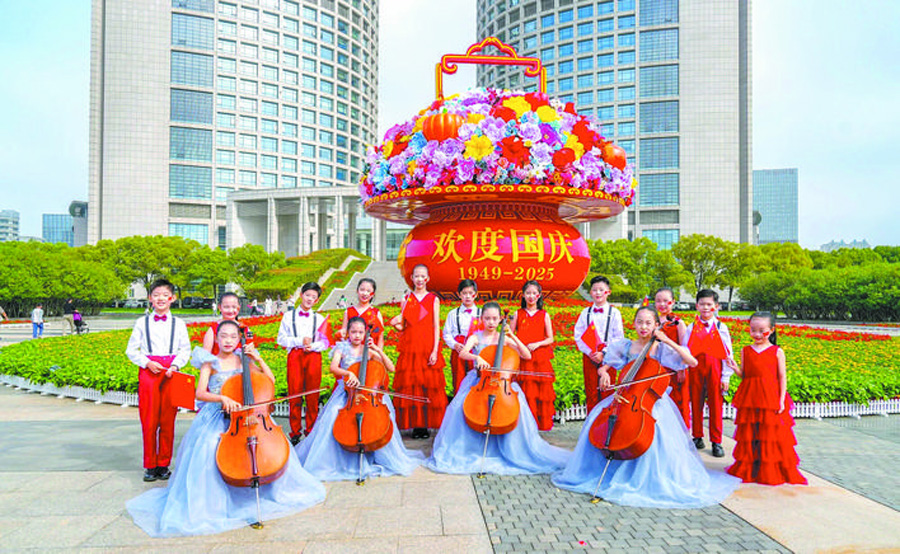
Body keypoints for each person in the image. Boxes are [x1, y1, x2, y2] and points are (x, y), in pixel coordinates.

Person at [126, 320, 326, 537]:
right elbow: (200, 393)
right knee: (210, 447)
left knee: (269, 446)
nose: (228, 341)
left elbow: (270, 380)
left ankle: (263, 489)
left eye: (233, 336)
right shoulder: (210, 362)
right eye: (223, 336)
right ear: (216, 339)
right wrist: (222, 398)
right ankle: (216, 500)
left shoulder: (243, 360)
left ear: (239, 339)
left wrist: (257, 358)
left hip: (248, 415)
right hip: (218, 415)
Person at [552, 307, 740, 508]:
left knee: (653, 433)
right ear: (634, 324)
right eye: (639, 322)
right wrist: (604, 373)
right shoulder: (626, 346)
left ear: (656, 325)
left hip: (651, 401)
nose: (643, 327)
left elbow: (691, 362)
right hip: (625, 397)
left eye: (648, 323)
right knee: (597, 418)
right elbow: (606, 365)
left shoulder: (661, 348)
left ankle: (644, 476)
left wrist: (667, 340)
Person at [427, 302, 570, 475]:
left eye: (495, 319)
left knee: (516, 408)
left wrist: (513, 336)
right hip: (479, 380)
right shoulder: (476, 337)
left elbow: (526, 355)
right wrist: (476, 357)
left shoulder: (505, 339)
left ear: (500, 319)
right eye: (487, 318)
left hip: (502, 383)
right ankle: (470, 447)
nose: (491, 322)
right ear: (481, 318)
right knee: (458, 407)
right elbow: (463, 353)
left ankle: (510, 448)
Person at [295, 316, 425, 480]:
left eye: (360, 332)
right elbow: (333, 367)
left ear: (365, 334)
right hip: (347, 394)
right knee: (333, 414)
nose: (357, 335)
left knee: (382, 417)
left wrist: (378, 350)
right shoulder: (341, 348)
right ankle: (336, 459)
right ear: (348, 332)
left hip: (369, 394)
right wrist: (348, 373)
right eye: (353, 332)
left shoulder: (368, 351)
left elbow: (391, 368)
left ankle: (377, 451)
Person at [726, 312, 807, 485]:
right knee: (751, 433)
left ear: (771, 330)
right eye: (753, 330)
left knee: (770, 434)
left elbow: (782, 377)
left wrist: (781, 400)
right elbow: (746, 375)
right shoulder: (746, 350)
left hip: (770, 397)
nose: (756, 334)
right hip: (750, 396)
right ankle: (752, 468)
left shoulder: (777, 351)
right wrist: (735, 368)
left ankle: (770, 469)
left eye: (761, 330)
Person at [125, 279, 192, 482]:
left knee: (168, 420)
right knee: (149, 420)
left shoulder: (179, 324)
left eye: (165, 295)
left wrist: (176, 365)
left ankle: (163, 464)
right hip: (149, 372)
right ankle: (150, 465)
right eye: (156, 295)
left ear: (172, 298)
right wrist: (146, 362)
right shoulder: (142, 323)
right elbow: (131, 350)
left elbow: (185, 349)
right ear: (150, 298)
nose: (160, 298)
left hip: (171, 372)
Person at [389, 264, 447, 439]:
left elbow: (436, 326)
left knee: (428, 385)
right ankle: (415, 425)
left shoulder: (433, 299)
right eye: (417, 276)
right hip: (410, 347)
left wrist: (435, 350)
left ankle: (426, 425)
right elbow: (403, 326)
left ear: (427, 278)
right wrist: (395, 325)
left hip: (427, 346)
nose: (420, 279)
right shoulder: (406, 299)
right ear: (412, 278)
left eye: (423, 276)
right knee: (412, 386)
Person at [683, 289, 735, 458]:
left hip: (715, 369)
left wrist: (725, 376)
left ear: (716, 306)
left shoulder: (721, 327)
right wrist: (683, 369)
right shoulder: (691, 327)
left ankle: (716, 441)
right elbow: (685, 350)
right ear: (696, 306)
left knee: (716, 405)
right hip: (695, 369)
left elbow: (728, 354)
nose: (705, 308)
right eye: (702, 304)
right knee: (696, 403)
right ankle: (697, 436)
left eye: (709, 304)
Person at [277, 282, 330, 445]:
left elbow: (325, 342)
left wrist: (313, 346)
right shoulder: (288, 316)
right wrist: (299, 341)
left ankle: (310, 430)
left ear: (317, 300)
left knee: (313, 394)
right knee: (295, 393)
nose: (310, 299)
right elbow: (281, 339)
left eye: (313, 297)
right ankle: (295, 432)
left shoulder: (319, 318)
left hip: (313, 356)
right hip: (295, 355)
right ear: (301, 295)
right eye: (307, 295)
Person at [573, 275, 625, 411]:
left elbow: (618, 338)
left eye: (601, 290)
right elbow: (578, 335)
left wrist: (603, 353)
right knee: (591, 390)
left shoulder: (614, 313)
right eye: (595, 290)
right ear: (590, 292)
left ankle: (606, 421)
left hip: (608, 357)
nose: (598, 293)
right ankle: (591, 421)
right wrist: (589, 352)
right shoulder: (585, 313)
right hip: (589, 356)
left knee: (607, 389)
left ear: (608, 292)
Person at [510, 281, 556, 431]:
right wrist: (518, 349)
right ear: (523, 295)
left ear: (539, 295)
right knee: (525, 390)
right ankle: (524, 424)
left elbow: (550, 338)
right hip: (522, 358)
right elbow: (509, 335)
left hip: (539, 358)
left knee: (540, 391)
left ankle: (539, 424)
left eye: (534, 293)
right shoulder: (517, 314)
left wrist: (538, 344)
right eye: (528, 293)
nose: (531, 296)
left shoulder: (544, 315)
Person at [655, 287, 690, 430]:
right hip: (656, 369)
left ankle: (680, 433)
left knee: (677, 401)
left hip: (675, 370)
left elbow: (684, 347)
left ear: (673, 302)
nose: (662, 304)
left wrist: (681, 368)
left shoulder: (678, 323)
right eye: (658, 301)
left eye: (666, 301)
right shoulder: (653, 321)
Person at [442, 279, 481, 395]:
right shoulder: (453, 314)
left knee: (476, 382)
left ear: (476, 294)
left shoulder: (482, 313)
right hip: (458, 351)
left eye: (470, 293)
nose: (468, 296)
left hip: (475, 352)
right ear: (459, 295)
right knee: (458, 382)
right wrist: (454, 344)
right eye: (464, 293)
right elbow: (446, 333)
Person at [338, 278, 385, 349]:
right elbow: (343, 334)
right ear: (357, 291)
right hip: (352, 352)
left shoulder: (376, 313)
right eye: (362, 290)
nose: (365, 293)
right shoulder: (348, 311)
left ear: (373, 294)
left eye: (368, 291)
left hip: (370, 352)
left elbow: (380, 338)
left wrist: (378, 353)